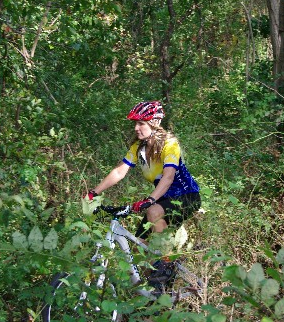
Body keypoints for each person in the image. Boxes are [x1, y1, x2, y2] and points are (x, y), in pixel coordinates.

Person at [86, 101, 201, 239]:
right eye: (135, 123)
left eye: (141, 123)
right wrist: (94, 193)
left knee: (153, 212)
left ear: (154, 124)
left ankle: (165, 259)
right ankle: (163, 257)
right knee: (138, 245)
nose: (136, 128)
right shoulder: (138, 147)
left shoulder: (169, 144)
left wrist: (150, 200)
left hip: (187, 196)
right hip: (163, 199)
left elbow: (168, 177)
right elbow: (119, 172)